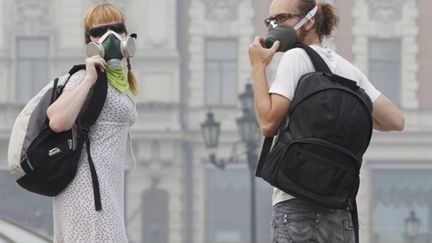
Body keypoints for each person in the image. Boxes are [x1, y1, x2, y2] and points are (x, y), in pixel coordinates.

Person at [248, 0, 405, 242]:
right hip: (340, 212)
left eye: (281, 19)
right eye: (270, 21)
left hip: (295, 206)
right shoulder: (349, 71)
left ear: (310, 20)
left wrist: (258, 67)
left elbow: (268, 123)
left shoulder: (296, 57)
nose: (273, 27)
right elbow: (395, 120)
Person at [46, 3, 137, 242]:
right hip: (86, 192)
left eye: (117, 28)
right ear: (90, 41)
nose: (111, 36)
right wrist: (88, 78)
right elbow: (56, 120)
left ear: (127, 34)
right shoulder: (82, 78)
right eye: (100, 31)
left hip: (106, 191)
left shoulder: (118, 81)